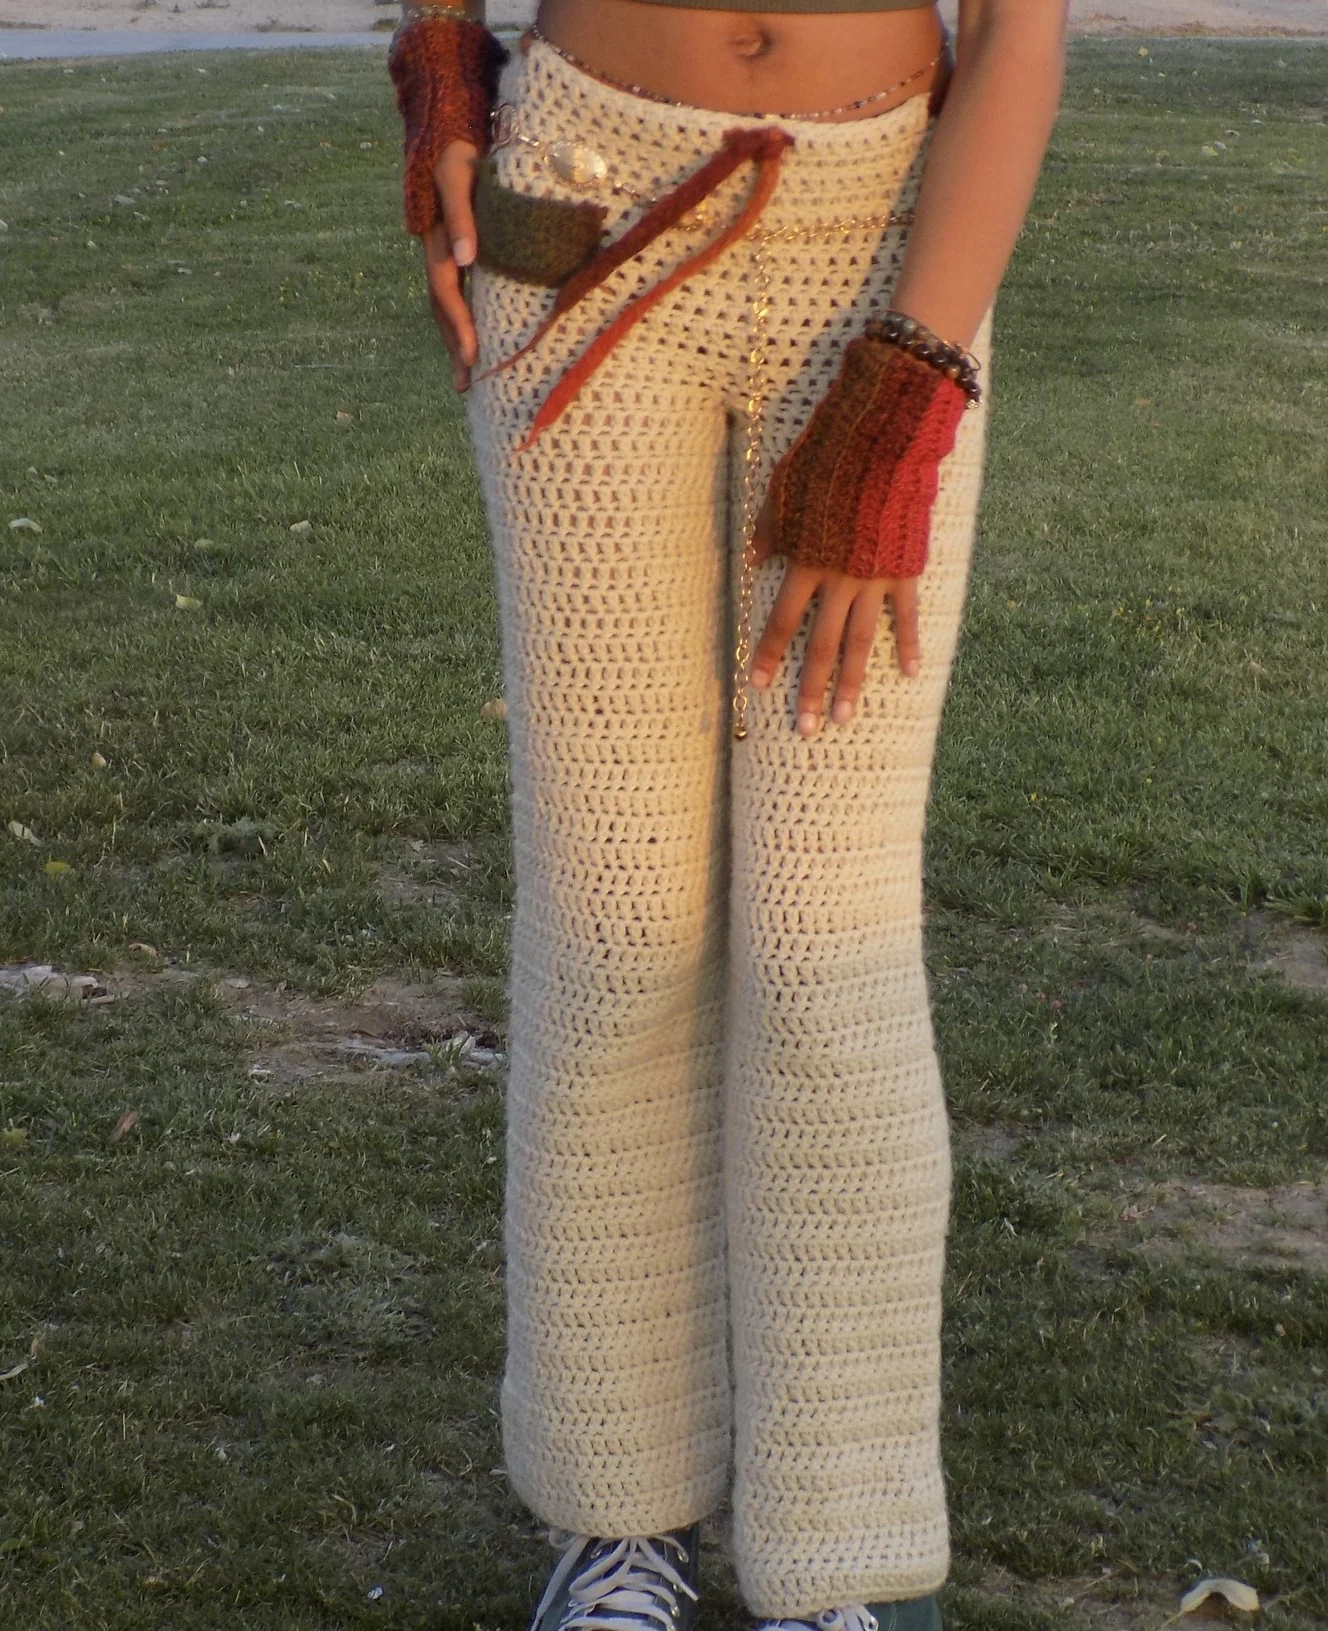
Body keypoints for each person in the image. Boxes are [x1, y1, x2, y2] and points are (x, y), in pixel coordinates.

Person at [389, 0, 1064, 1625]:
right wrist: (442, 63)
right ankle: (616, 1519)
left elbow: (1019, 32)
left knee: (828, 949)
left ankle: (840, 1556)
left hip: (879, 262)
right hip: (585, 215)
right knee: (613, 923)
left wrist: (906, 394)